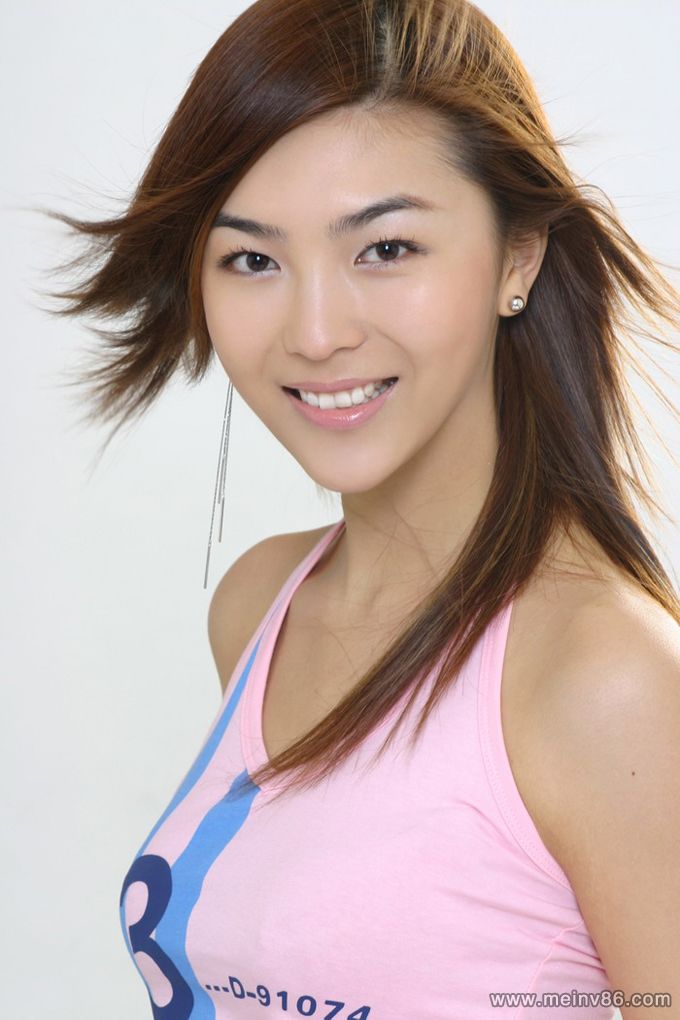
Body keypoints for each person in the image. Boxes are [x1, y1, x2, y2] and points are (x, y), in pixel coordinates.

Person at [41, 0, 680, 1017]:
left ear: (517, 256)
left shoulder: (603, 679)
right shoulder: (261, 604)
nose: (315, 331)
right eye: (252, 259)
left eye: (384, 249)